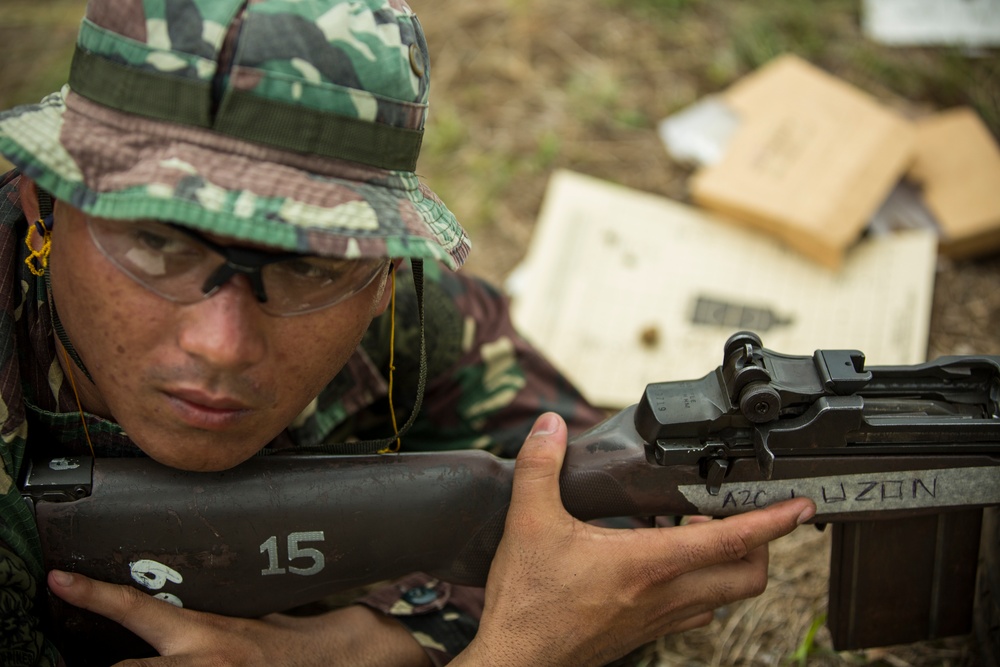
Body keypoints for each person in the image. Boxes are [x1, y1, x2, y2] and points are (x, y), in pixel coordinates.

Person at [0, 0, 816, 665]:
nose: (222, 343)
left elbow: (600, 505)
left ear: (385, 274)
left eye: (309, 267)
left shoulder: (394, 312)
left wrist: (359, 642)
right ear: (43, 202)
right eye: (159, 244)